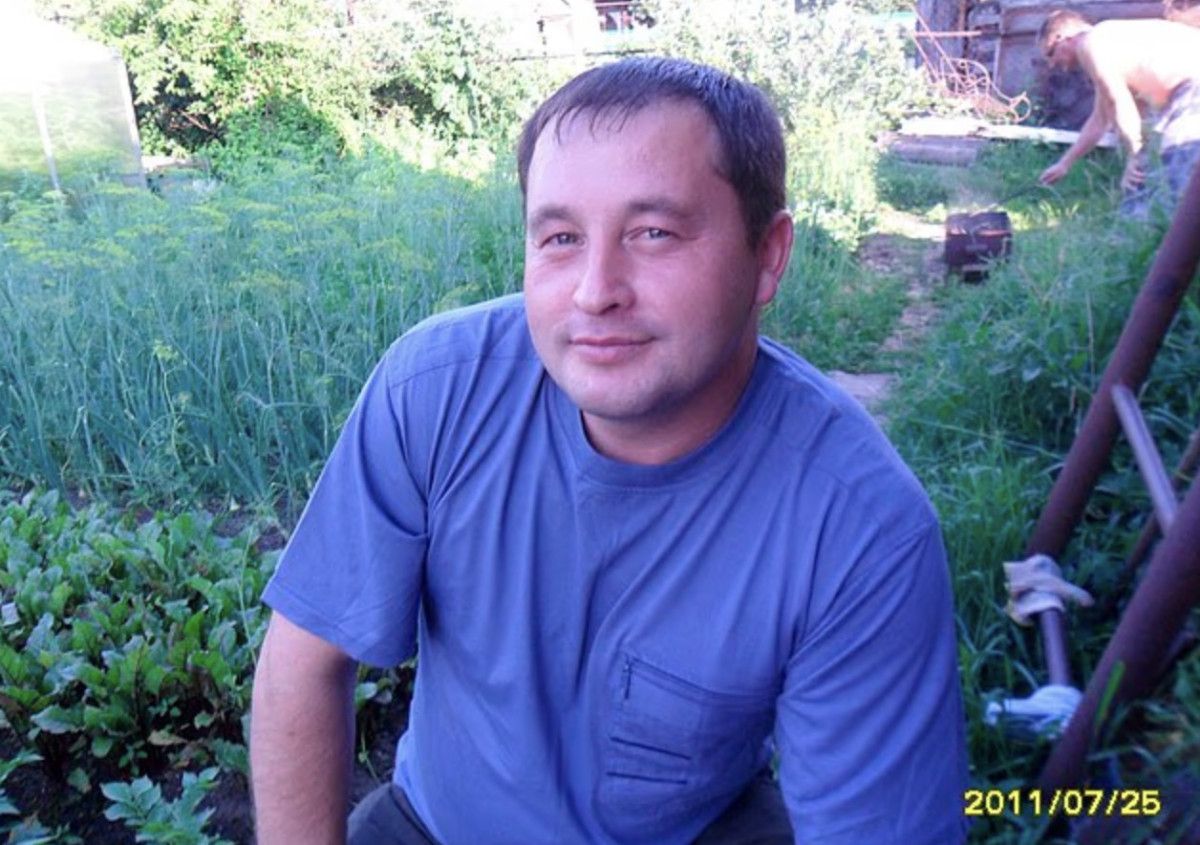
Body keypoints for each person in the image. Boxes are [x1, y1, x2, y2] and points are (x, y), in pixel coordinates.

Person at [249, 56, 968, 845]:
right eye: (560, 237)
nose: (596, 290)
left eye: (654, 233)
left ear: (768, 254)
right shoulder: (437, 390)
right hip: (436, 826)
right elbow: (304, 662)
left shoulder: (860, 527)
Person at [1037, 10, 1200, 214]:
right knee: (1156, 176)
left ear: (1062, 38)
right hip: (1186, 92)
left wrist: (1134, 154)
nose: (1053, 64)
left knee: (1178, 168)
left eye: (1050, 53)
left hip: (1193, 88)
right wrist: (1064, 164)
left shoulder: (1091, 43)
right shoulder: (1111, 46)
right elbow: (1100, 119)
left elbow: (1118, 101)